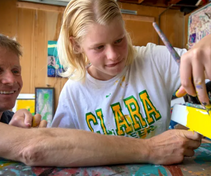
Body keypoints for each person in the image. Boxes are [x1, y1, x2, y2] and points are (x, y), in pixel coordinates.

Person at [0, 31, 196, 167]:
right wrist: (151, 149)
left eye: (16, 70)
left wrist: (18, 130)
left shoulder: (6, 118)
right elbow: (33, 149)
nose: (11, 80)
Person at [51, 0, 211, 164]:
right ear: (76, 45)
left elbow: (200, 64)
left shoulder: (155, 60)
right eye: (99, 47)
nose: (113, 55)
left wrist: (207, 43)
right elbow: (58, 149)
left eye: (119, 40)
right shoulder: (74, 92)